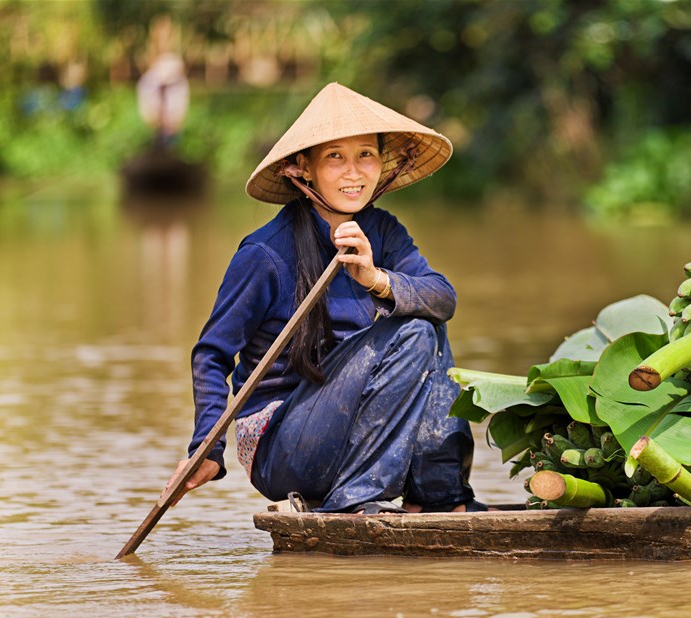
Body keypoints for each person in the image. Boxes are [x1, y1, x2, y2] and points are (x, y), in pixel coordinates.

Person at [167, 82, 483, 514]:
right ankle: (352, 504)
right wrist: (207, 448)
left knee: (426, 320)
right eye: (335, 157)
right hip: (281, 445)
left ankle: (440, 500)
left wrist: (376, 279)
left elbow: (442, 297)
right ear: (304, 169)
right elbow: (212, 354)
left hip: (350, 433)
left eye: (365, 155)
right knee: (413, 331)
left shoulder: (383, 231)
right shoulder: (265, 253)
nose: (354, 173)